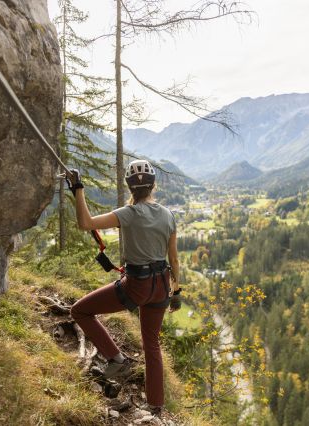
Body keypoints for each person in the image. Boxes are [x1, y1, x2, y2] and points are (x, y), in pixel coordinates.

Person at [68, 159, 182, 415]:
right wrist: (177, 292)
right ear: (154, 185)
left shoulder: (128, 214)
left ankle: (116, 359)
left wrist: (78, 188)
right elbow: (173, 259)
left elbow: (85, 223)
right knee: (151, 344)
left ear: (129, 187)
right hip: (162, 285)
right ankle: (156, 406)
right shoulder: (168, 215)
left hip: (137, 286)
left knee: (80, 311)